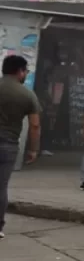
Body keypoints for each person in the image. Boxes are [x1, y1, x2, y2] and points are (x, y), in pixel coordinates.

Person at [0, 55, 41, 239]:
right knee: (1, 187)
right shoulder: (27, 94)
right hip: (8, 146)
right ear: (20, 71)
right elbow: (34, 125)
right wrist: (33, 149)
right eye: (26, 71)